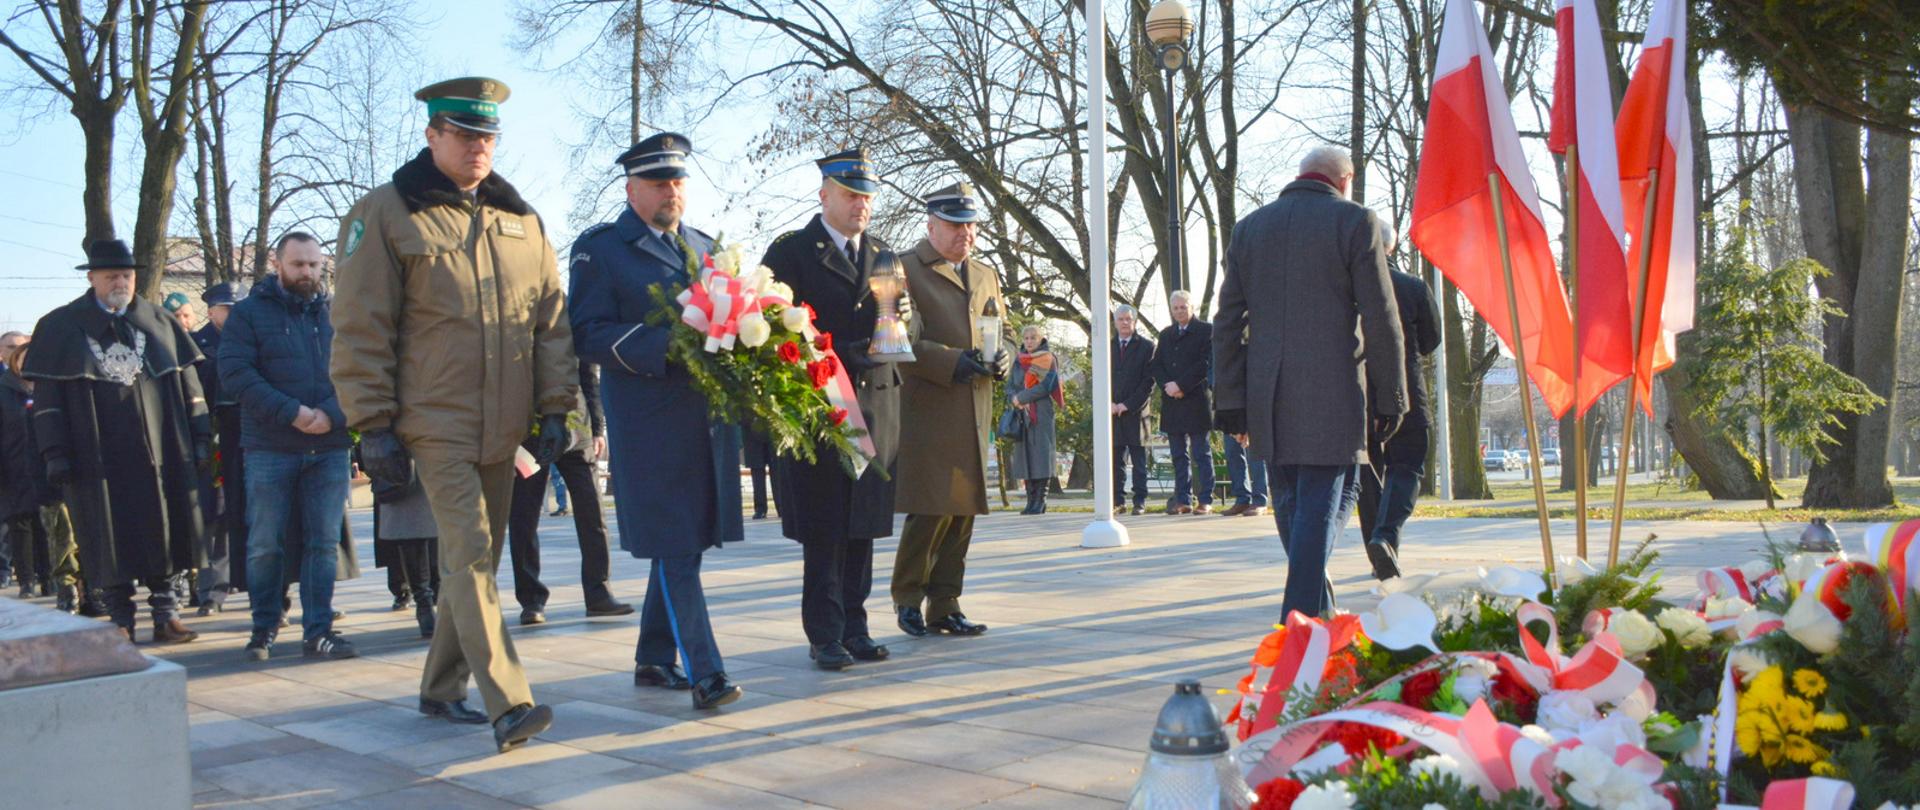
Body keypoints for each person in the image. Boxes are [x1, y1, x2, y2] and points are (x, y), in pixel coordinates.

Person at [330, 77, 575, 753]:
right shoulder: (385, 214)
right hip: (432, 420)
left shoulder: (522, 221)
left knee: (480, 560)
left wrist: (557, 407)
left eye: (488, 136)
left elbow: (550, 323)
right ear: (433, 134)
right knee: (467, 557)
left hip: (505, 424)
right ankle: (510, 702)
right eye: (465, 134)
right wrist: (371, 423)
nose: (478, 147)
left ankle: (440, 686)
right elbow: (360, 326)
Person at [569, 132, 744, 710]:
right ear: (631, 189)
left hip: (701, 420)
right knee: (675, 543)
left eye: (677, 181)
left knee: (685, 544)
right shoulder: (602, 249)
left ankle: (651, 658)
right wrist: (659, 345)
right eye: (658, 182)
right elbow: (586, 333)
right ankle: (706, 673)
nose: (671, 191)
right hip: (646, 420)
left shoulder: (705, 247)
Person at [1213, 145, 1406, 621]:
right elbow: (1381, 316)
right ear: (1345, 180)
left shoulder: (1249, 228)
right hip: (1333, 390)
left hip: (1267, 392)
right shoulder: (1355, 222)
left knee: (1298, 502)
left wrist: (1232, 399)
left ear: (1301, 175)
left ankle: (1317, 610)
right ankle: (1298, 621)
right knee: (1324, 500)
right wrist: (1391, 395)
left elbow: (1227, 322)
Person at [23, 238, 211, 643]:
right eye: (111, 275)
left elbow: (189, 384)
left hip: (160, 450)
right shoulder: (60, 328)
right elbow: (49, 400)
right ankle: (121, 620)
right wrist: (55, 453)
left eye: (126, 275)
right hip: (96, 456)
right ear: (92, 278)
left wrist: (198, 437)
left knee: (167, 528)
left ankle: (166, 614)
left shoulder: (159, 322)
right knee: (107, 536)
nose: (120, 282)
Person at [761, 148, 903, 672]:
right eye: (850, 195)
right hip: (821, 406)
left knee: (863, 522)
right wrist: (841, 351)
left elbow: (897, 325)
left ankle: (856, 625)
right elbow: (777, 332)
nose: (861, 204)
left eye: (866, 196)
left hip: (876, 402)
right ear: (824, 195)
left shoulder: (884, 254)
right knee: (825, 527)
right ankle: (824, 633)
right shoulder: (791, 253)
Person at [219, 232, 356, 662]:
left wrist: (332, 414)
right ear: (278, 264)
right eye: (298, 265)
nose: (308, 273)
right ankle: (264, 627)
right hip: (271, 446)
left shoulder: (339, 314)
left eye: (315, 265)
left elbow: (360, 370)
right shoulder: (249, 315)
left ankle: (318, 630)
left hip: (329, 446)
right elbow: (237, 374)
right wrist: (292, 412)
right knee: (265, 543)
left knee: (322, 543)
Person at [891, 181, 1012, 640]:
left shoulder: (985, 273)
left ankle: (945, 603)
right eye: (955, 224)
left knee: (963, 510)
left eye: (971, 225)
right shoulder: (905, 268)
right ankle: (906, 598)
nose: (965, 233)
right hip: (929, 404)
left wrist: (1005, 353)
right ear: (931, 224)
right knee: (930, 507)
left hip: (974, 405)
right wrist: (950, 361)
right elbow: (900, 339)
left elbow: (1003, 328)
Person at [505, 361, 633, 625]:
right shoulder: (518, 322)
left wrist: (597, 428)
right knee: (523, 518)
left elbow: (589, 377)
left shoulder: (571, 320)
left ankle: (599, 593)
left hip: (577, 430)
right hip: (530, 433)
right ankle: (531, 600)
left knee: (592, 513)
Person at [1354, 228, 1442, 580]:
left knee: (1368, 476)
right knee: (1407, 466)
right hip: (1405, 391)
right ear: (1391, 246)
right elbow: (1431, 340)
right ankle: (1385, 537)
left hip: (1358, 394)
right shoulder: (1413, 286)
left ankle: (1378, 551)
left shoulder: (1347, 289)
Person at [193, 282, 243, 614]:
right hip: (209, 439)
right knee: (211, 518)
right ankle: (208, 587)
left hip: (244, 437)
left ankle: (233, 583)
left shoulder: (251, 339)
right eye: (229, 309)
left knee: (235, 514)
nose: (236, 314)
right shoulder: (196, 345)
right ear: (212, 312)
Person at [1152, 290, 1214, 515]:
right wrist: (1167, 385)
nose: (1179, 311)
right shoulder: (1166, 334)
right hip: (1172, 403)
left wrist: (1181, 385)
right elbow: (1156, 365)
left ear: (1192, 307)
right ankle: (1183, 499)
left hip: (1196, 400)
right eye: (1175, 308)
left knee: (1201, 453)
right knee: (1178, 455)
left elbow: (1204, 363)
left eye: (1183, 307)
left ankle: (1205, 499)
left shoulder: (1206, 331)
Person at [371, 466, 440, 639]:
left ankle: (438, 596)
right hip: (400, 457)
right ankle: (424, 603)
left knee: (446, 529)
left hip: (443, 452)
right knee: (410, 527)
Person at [1007, 325, 1062, 515]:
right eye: (1027, 338)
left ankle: (1040, 501)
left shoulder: (1047, 359)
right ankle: (1030, 501)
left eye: (1033, 338)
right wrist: (1014, 399)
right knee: (1026, 457)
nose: (1029, 342)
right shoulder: (1018, 361)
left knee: (1041, 457)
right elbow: (1011, 386)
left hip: (1041, 412)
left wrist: (1021, 398)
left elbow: (1045, 386)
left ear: (1041, 340)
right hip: (1022, 414)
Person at [1110, 305, 1155, 515]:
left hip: (1137, 413)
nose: (1125, 322)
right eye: (1120, 319)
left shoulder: (1146, 347)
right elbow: (1100, 377)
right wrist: (1109, 403)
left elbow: (1148, 382)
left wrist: (1127, 405)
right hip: (1113, 413)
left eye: (1128, 319)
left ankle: (1140, 501)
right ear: (1115, 322)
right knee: (1116, 461)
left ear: (1134, 321)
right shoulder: (1107, 346)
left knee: (1138, 462)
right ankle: (1118, 500)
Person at [741, 426, 775, 520]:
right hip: (751, 427)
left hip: (773, 425)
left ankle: (782, 507)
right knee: (757, 470)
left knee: (777, 470)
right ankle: (760, 508)